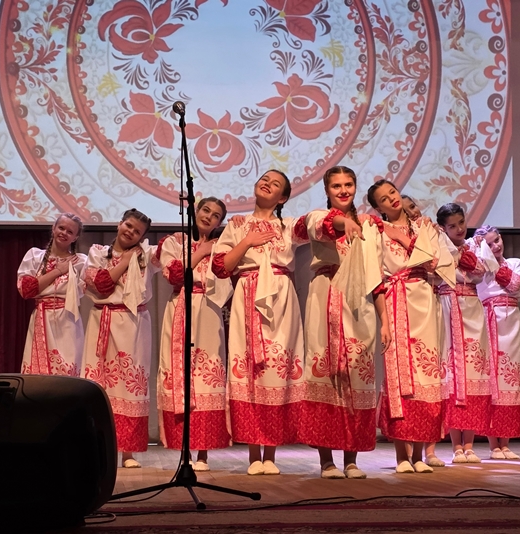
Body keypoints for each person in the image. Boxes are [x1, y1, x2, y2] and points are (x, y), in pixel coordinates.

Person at [211, 170, 308, 475]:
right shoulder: (238, 224)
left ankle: (271, 454)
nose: (267, 183)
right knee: (250, 369)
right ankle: (254, 453)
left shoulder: (288, 226)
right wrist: (247, 241)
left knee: (277, 371)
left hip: (281, 299)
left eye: (275, 183)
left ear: (283, 197)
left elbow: (316, 227)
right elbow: (221, 267)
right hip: (248, 293)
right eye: (265, 179)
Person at [300, 166, 391, 479]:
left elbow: (376, 275)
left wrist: (384, 320)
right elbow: (327, 225)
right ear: (327, 190)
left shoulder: (370, 227)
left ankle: (351, 459)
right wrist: (346, 222)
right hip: (325, 294)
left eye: (348, 184)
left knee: (357, 376)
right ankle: (326, 461)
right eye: (336, 185)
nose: (343, 190)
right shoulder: (317, 216)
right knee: (325, 374)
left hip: (358, 302)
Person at [367, 181, 451, 474]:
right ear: (377, 207)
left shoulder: (424, 227)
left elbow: (435, 264)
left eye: (392, 192)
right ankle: (402, 455)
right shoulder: (377, 232)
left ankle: (419, 455)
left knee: (426, 376)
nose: (391, 199)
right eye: (383, 199)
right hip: (395, 301)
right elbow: (376, 279)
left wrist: (402, 238)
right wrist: (384, 321)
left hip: (424, 303)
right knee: (399, 376)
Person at [157, 197, 231, 471]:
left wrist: (214, 249)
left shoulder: (222, 246)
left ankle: (203, 453)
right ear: (196, 211)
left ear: (219, 223)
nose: (208, 216)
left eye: (215, 215)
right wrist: (202, 251)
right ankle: (183, 449)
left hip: (209, 309)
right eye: (205, 210)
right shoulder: (174, 241)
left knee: (207, 376)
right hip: (181, 304)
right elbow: (175, 274)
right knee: (179, 373)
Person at [82, 208, 160, 468]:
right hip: (102, 320)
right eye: (128, 225)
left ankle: (128, 452)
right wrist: (125, 261)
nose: (130, 232)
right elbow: (102, 285)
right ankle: (98, 449)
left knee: (130, 383)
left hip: (133, 323)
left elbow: (169, 256)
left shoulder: (146, 255)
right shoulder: (97, 252)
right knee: (99, 384)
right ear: (119, 224)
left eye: (137, 231)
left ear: (142, 237)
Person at [435, 203, 491, 464]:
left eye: (461, 223)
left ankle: (469, 444)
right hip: (448, 305)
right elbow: (442, 274)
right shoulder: (439, 246)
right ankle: (455, 445)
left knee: (472, 373)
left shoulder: (474, 246)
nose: (459, 229)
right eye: (452, 226)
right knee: (452, 375)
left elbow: (481, 275)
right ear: (443, 228)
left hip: (471, 309)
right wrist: (459, 267)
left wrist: (467, 264)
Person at [474, 225, 520, 460]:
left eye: (497, 240)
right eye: (489, 244)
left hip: (511, 322)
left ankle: (505, 442)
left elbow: (514, 284)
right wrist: (482, 256)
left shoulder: (515, 263)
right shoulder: (481, 267)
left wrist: (494, 265)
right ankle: (493, 445)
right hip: (488, 318)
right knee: (491, 377)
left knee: (511, 377)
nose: (496, 246)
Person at [17, 213, 86, 376]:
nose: (64, 233)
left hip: (68, 320)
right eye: (61, 228)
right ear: (53, 228)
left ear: (75, 237)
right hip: (43, 317)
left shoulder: (81, 261)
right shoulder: (35, 256)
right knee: (40, 373)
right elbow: (26, 290)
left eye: (70, 231)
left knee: (68, 369)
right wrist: (58, 271)